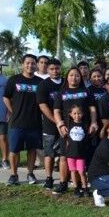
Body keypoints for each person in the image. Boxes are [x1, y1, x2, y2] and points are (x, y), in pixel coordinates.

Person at [53, 67, 98, 194]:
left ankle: (83, 185)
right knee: (64, 156)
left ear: (81, 77)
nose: (74, 78)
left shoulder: (86, 91)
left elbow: (92, 109)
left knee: (82, 157)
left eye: (77, 75)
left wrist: (94, 122)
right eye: (71, 75)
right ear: (67, 77)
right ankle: (63, 183)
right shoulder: (61, 93)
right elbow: (56, 110)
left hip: (83, 131)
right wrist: (60, 124)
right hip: (67, 131)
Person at [3, 54, 43, 186]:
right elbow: (6, 97)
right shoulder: (14, 80)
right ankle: (13, 175)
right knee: (14, 150)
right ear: (22, 64)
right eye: (27, 63)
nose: (30, 65)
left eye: (33, 63)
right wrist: (12, 110)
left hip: (34, 122)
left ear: (35, 65)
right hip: (17, 122)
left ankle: (30, 173)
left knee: (32, 149)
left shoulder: (39, 82)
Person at [36, 58, 64, 190]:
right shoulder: (43, 85)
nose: (54, 71)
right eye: (51, 69)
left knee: (65, 153)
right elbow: (43, 106)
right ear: (47, 70)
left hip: (66, 125)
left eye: (57, 68)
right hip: (50, 125)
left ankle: (65, 178)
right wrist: (57, 121)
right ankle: (49, 178)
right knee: (49, 153)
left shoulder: (65, 83)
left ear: (60, 68)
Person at [64, 105, 90, 197]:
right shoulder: (68, 125)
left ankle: (85, 188)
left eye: (79, 113)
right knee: (73, 171)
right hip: (71, 153)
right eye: (74, 113)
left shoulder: (85, 125)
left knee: (82, 172)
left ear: (82, 114)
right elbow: (66, 139)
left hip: (81, 153)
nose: (76, 115)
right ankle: (76, 189)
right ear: (70, 114)